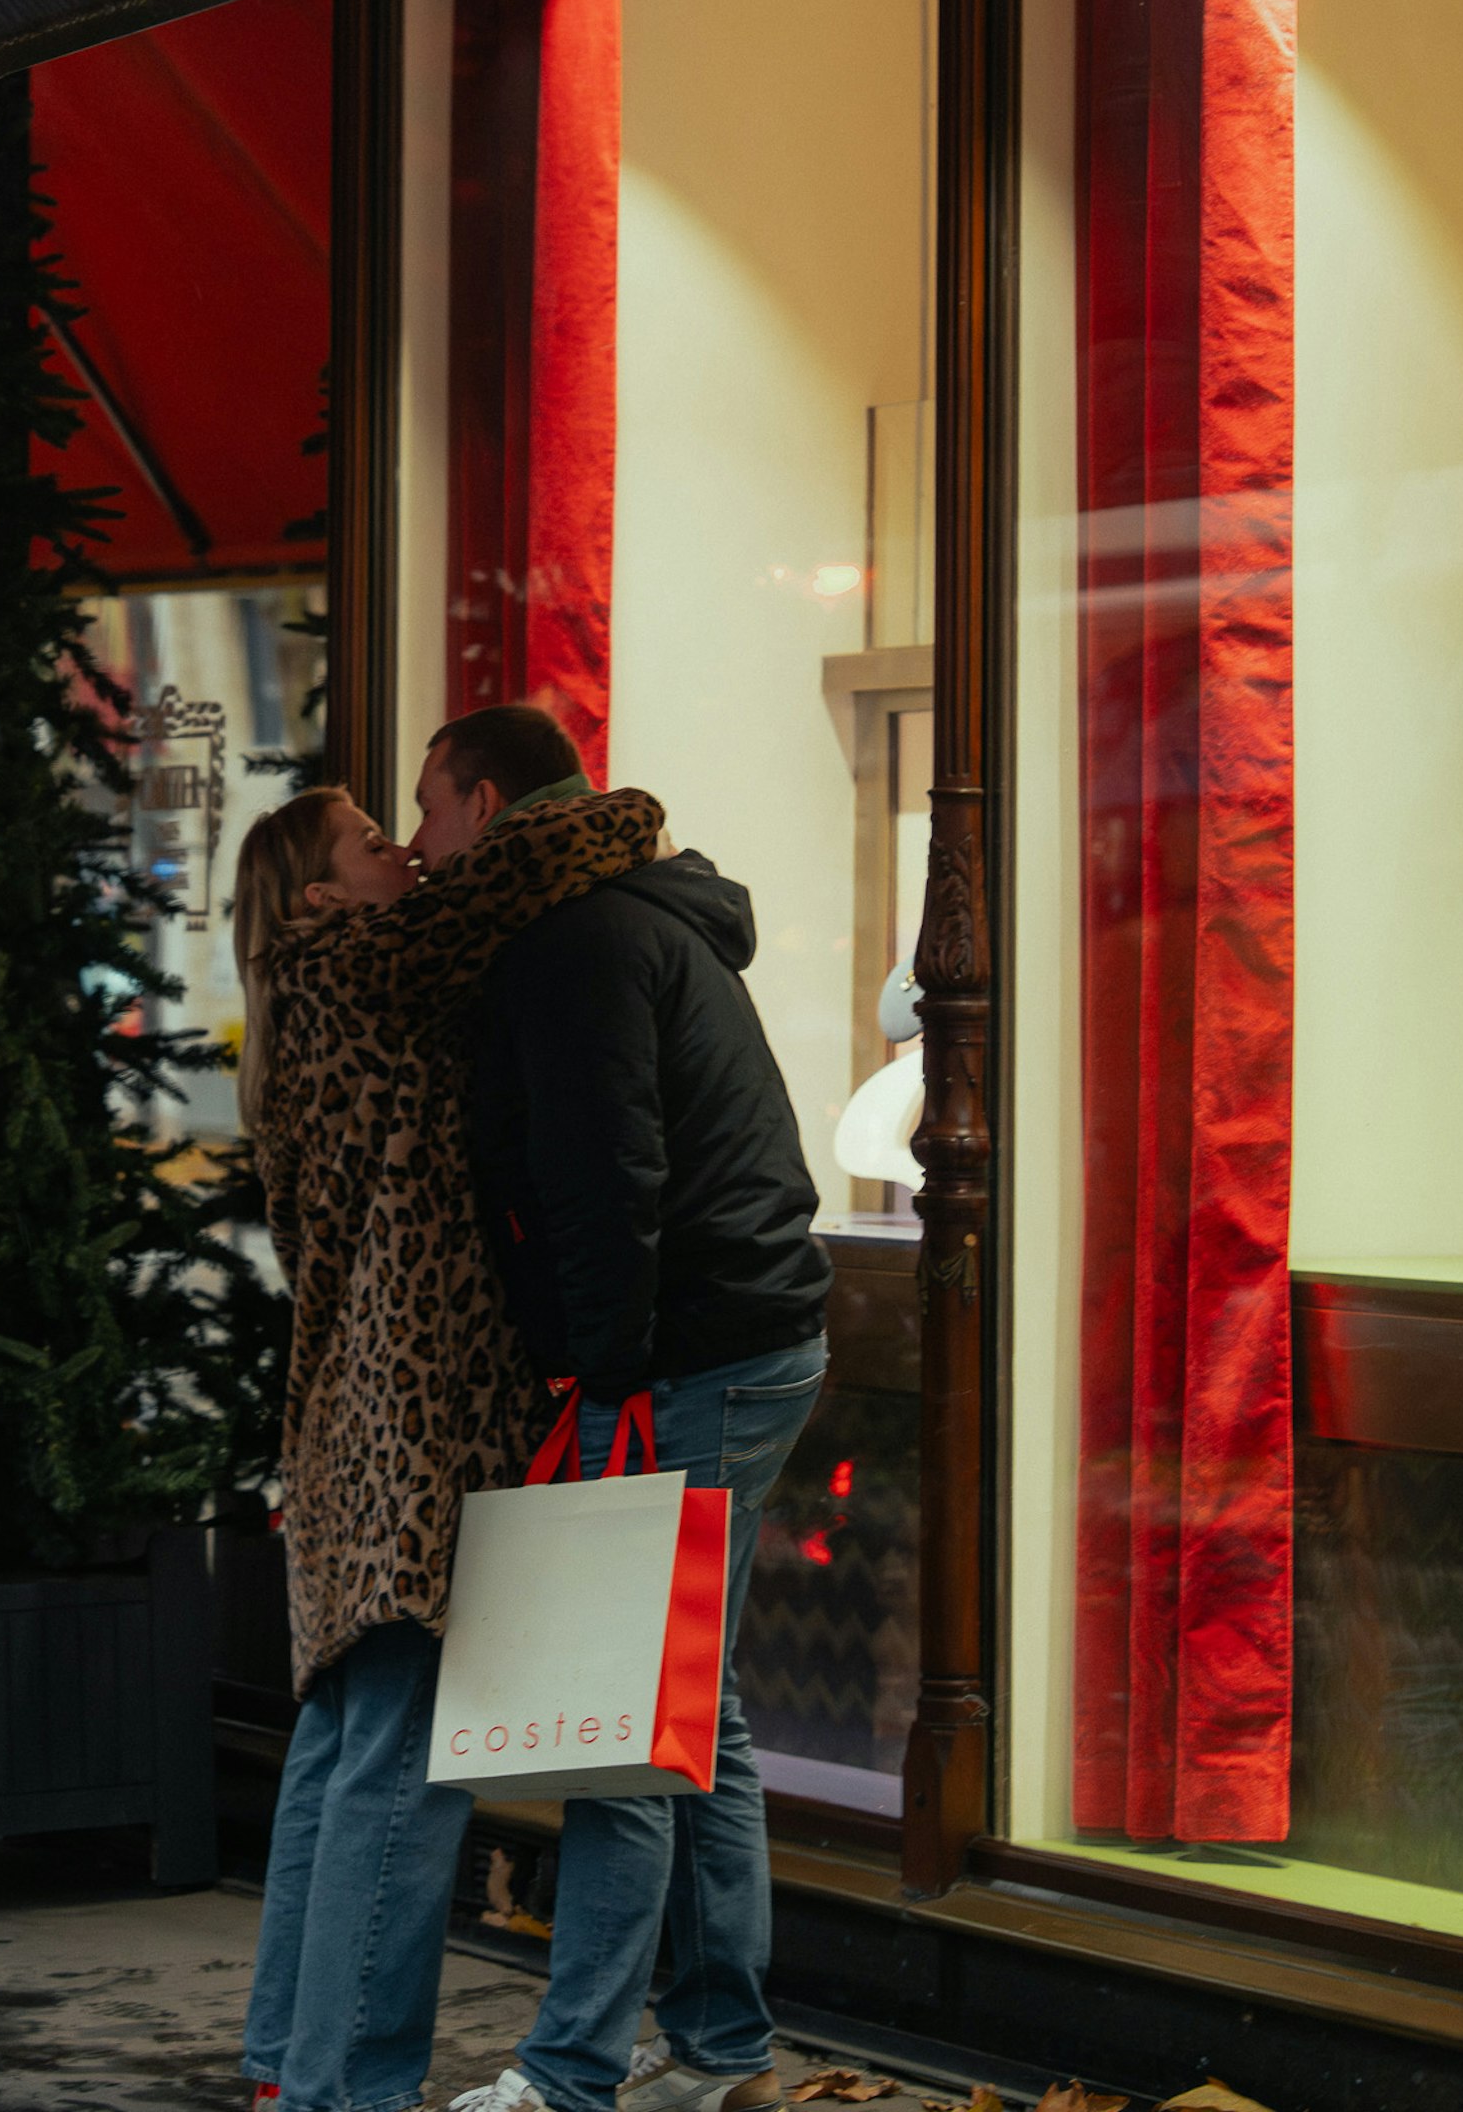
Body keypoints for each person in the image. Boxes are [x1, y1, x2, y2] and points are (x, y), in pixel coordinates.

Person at [411, 705, 831, 2112]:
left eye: (426, 810)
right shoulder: (641, 915)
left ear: (482, 800)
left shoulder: (571, 940)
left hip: (684, 1362)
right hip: (739, 1342)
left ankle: (571, 2071)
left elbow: (607, 1178)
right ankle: (720, 2056)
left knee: (632, 1726)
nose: (418, 846)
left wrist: (599, 1376)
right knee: (689, 1719)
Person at [229, 775, 665, 2112]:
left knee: (346, 1746)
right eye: (375, 840)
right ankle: (346, 2087)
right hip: (416, 1428)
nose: (407, 853)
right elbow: (559, 848)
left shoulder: (310, 995)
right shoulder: (361, 961)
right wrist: (617, 810)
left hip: (357, 1421)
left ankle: (285, 2065)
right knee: (403, 1757)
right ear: (319, 893)